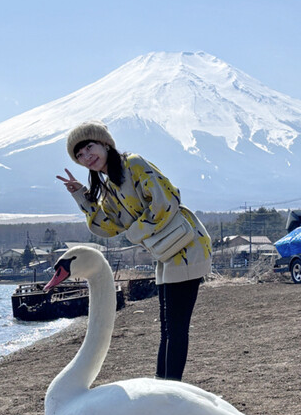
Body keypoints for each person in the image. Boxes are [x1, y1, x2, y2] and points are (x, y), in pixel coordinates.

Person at [57, 120, 211, 382]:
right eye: (79, 155)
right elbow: (106, 226)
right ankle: (163, 387)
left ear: (105, 143)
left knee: (175, 327)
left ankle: (168, 391)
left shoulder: (134, 164)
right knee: (167, 327)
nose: (86, 157)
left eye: (89, 147)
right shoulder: (107, 186)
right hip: (164, 252)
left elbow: (166, 200)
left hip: (187, 247)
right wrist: (82, 196)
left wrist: (135, 232)